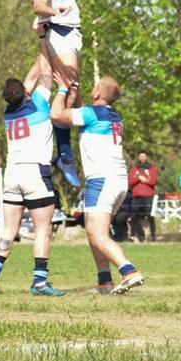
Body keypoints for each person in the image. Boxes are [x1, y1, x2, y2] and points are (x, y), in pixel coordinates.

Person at [51, 71, 145, 295]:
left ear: (99, 92)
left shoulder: (92, 114)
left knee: (97, 234)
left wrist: (62, 89)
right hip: (118, 180)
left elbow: (56, 114)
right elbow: (82, 111)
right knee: (95, 231)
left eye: (96, 85)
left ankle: (129, 271)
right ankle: (104, 282)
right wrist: (77, 93)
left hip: (102, 179)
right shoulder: (112, 115)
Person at [0, 57, 66, 296]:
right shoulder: (39, 105)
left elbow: (30, 79)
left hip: (12, 174)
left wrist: (42, 48)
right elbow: (42, 76)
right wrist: (47, 46)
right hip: (35, 173)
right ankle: (40, 282)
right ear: (26, 93)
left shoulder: (9, 112)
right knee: (42, 230)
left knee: (9, 231)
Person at [29, 0, 96, 187]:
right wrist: (54, 11)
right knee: (66, 88)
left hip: (71, 34)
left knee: (74, 91)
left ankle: (67, 151)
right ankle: (65, 154)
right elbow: (38, 4)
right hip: (61, 33)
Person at [127, 152, 159, 243]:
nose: (142, 158)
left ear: (147, 157)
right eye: (140, 156)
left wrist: (145, 179)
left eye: (144, 156)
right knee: (134, 217)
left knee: (150, 217)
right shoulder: (134, 169)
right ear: (138, 157)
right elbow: (131, 182)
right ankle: (135, 236)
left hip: (148, 196)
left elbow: (153, 181)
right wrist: (139, 177)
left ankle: (153, 237)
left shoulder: (152, 169)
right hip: (136, 197)